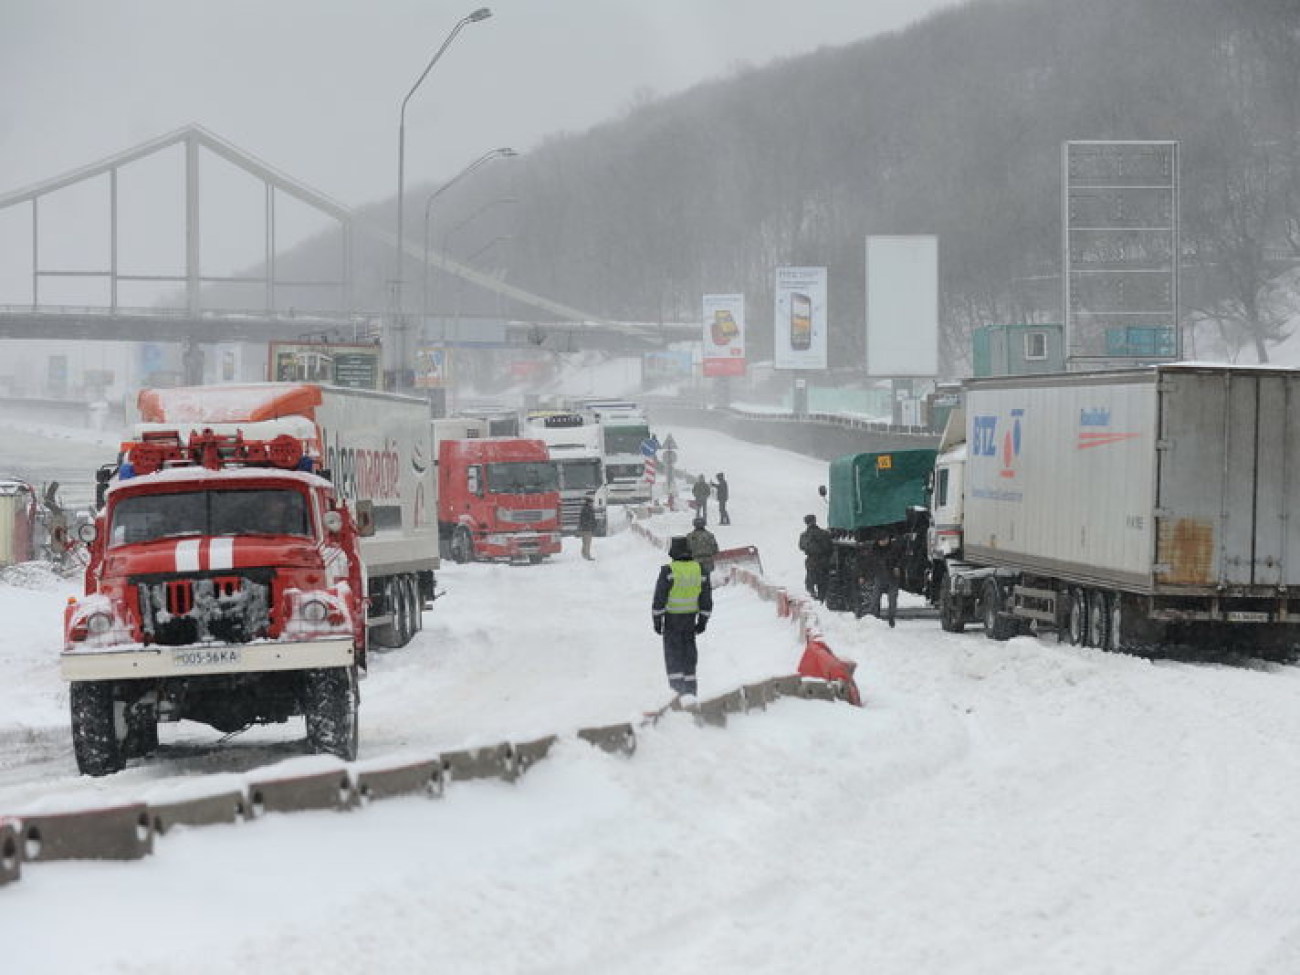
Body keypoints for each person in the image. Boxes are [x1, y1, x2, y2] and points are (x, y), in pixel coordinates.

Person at [651, 535, 713, 700]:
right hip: (690, 622)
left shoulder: (668, 571)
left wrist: (657, 621)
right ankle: (691, 694)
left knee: (674, 658)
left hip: (672, 622)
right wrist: (703, 621)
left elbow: (659, 599)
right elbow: (706, 599)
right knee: (689, 657)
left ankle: (677, 695)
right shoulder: (700, 570)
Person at [861, 535, 900, 627]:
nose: (883, 542)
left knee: (892, 600)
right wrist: (863, 575)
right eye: (881, 540)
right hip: (879, 577)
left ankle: (891, 619)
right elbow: (867, 563)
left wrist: (897, 567)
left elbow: (900, 559)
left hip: (892, 578)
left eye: (885, 539)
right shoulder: (874, 550)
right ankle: (874, 617)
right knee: (875, 599)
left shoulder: (894, 549)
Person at [798, 513, 833, 602]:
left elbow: (801, 546)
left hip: (812, 560)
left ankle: (814, 596)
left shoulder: (804, 535)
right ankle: (822, 598)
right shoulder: (824, 533)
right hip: (824, 560)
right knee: (823, 582)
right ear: (814, 521)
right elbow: (829, 547)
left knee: (810, 580)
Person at [577, 494, 598, 560]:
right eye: (591, 503)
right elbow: (591, 519)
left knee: (585, 542)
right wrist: (594, 525)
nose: (592, 504)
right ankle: (587, 555)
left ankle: (584, 554)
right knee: (587, 543)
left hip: (584, 528)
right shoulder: (588, 509)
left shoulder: (584, 509)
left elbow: (582, 520)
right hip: (587, 529)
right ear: (589, 503)